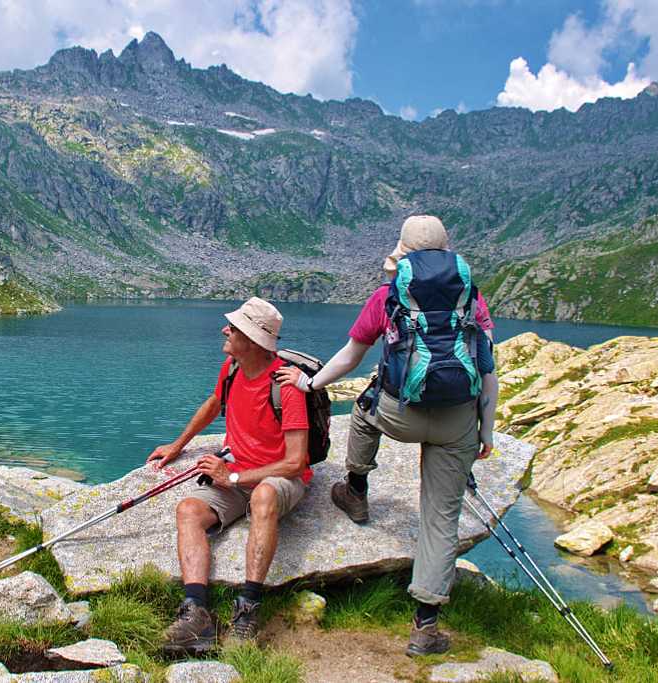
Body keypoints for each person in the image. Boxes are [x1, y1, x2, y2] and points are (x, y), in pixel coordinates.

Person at [275, 215, 499, 658]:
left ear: (402, 253)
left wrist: (310, 384)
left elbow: (350, 356)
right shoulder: (472, 299)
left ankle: (355, 488)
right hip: (456, 423)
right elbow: (488, 371)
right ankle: (425, 626)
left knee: (362, 410)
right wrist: (484, 432)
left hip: (399, 415)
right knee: (440, 517)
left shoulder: (387, 297)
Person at [147, 297, 310, 656]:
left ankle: (248, 608)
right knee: (189, 510)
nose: (225, 330)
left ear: (252, 340)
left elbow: (296, 463)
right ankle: (197, 614)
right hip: (236, 474)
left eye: (233, 329)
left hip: (275, 477)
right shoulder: (233, 367)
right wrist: (177, 445)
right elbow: (213, 403)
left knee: (264, 497)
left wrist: (234, 479)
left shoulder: (286, 387)